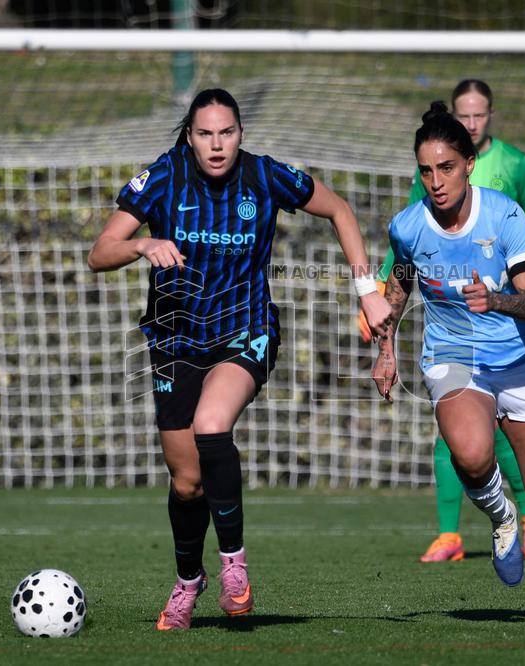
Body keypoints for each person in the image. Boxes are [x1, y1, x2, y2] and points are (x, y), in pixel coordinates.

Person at [88, 89, 391, 630]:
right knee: (187, 483)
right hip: (174, 340)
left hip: (245, 331)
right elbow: (100, 251)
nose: (216, 144)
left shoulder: (263, 177)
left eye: (226, 132)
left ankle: (234, 567)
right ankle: (188, 581)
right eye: (205, 134)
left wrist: (367, 288)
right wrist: (140, 245)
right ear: (189, 136)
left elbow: (339, 209)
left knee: (211, 425)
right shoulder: (162, 177)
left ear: (241, 134)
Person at [372, 101, 525, 621]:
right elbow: (400, 282)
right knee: (468, 453)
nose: (435, 181)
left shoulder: (504, 214)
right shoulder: (408, 226)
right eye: (425, 170)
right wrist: (385, 349)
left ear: (467, 163)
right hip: (454, 356)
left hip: (520, 360)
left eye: (445, 167)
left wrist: (498, 299)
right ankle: (503, 518)